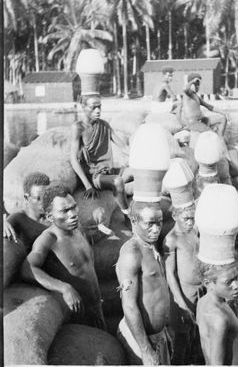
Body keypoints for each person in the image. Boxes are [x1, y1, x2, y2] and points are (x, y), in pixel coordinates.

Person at [21, 184, 106, 330]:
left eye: (74, 207)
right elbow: (27, 268)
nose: (72, 214)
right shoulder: (48, 239)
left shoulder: (78, 228)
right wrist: (64, 288)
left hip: (97, 306)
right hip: (77, 315)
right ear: (49, 216)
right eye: (65, 211)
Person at [116, 200, 172, 365]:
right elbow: (129, 305)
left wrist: (165, 328)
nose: (156, 229)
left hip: (157, 335)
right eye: (150, 224)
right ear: (134, 221)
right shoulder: (131, 254)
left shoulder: (150, 245)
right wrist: (145, 350)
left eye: (159, 223)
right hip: (142, 339)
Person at [70, 95, 132, 227]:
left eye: (99, 107)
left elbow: (124, 147)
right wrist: (87, 185)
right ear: (83, 107)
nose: (98, 110)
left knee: (134, 171)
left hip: (107, 170)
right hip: (93, 175)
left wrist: (141, 157)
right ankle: (128, 216)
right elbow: (73, 159)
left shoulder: (104, 125)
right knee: (118, 181)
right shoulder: (78, 128)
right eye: (93, 107)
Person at [163, 203, 205, 365]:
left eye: (192, 219)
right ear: (174, 216)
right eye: (186, 219)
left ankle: (192, 359)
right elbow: (170, 274)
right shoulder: (171, 239)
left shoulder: (193, 232)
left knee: (194, 334)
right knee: (181, 339)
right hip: (182, 295)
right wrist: (182, 304)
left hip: (199, 292)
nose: (190, 222)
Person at [196, 262, 238, 365]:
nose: (236, 286)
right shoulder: (219, 319)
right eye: (228, 282)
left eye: (236, 278)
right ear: (208, 284)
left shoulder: (203, 301)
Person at [3, 172, 50, 249]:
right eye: (38, 198)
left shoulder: (56, 216)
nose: (44, 202)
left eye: (46, 196)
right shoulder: (18, 218)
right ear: (26, 198)